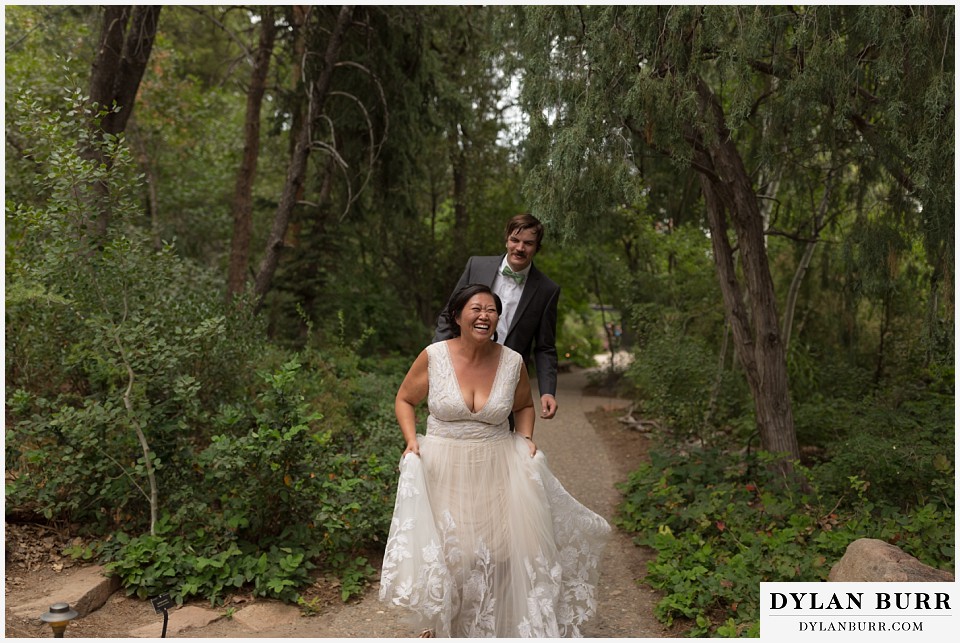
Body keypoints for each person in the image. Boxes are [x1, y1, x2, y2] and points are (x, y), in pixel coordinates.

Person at [380, 284, 609, 638]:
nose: (484, 315)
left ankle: (489, 624)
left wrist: (527, 439)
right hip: (443, 467)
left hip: (495, 466)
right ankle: (443, 624)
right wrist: (412, 442)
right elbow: (404, 400)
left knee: (499, 551)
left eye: (491, 310)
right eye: (476, 308)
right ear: (457, 317)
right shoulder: (434, 356)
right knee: (454, 553)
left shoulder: (512, 361)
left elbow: (524, 407)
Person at [433, 213, 560, 420]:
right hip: (462, 365)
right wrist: (437, 359)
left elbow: (545, 347)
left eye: (528, 243)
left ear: (537, 247)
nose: (520, 248)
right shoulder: (477, 266)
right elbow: (450, 314)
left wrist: (547, 391)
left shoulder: (547, 290)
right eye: (515, 240)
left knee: (500, 439)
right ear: (506, 239)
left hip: (506, 377)